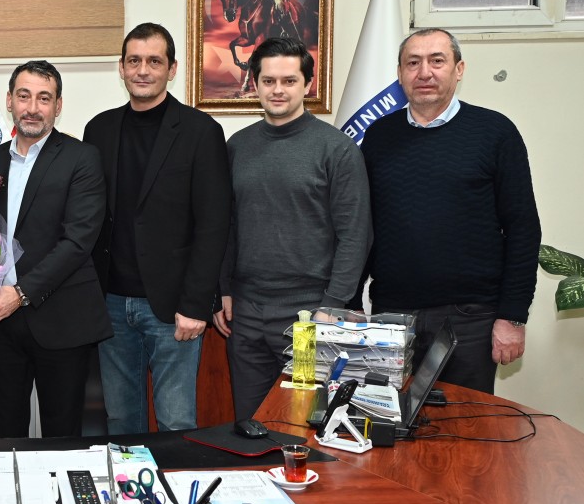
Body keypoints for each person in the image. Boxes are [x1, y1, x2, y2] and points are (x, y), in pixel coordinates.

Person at [360, 28, 540, 393]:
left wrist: (512, 316)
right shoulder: (378, 136)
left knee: (466, 421)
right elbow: (362, 227)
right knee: (388, 419)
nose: (424, 72)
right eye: (413, 63)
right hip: (392, 317)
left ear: (459, 69)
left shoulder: (495, 132)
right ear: (399, 74)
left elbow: (522, 228)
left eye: (437, 61)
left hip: (470, 319)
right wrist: (349, 305)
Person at [84, 23, 231, 433]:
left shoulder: (201, 132)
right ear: (121, 68)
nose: (143, 70)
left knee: (175, 420)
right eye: (134, 61)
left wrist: (197, 305)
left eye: (154, 61)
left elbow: (213, 225)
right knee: (120, 419)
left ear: (172, 69)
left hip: (173, 307)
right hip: (111, 303)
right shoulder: (98, 130)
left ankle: (177, 480)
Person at [214, 38, 371, 419]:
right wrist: (223, 289)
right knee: (250, 421)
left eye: (289, 81)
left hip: (309, 315)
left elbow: (355, 234)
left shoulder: (337, 149)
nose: (278, 90)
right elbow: (226, 225)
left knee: (301, 420)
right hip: (246, 313)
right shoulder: (238, 146)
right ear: (254, 83)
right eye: (268, 81)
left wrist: (332, 306)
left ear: (307, 85)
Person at [0, 60, 112, 438]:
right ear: (10, 100)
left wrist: (20, 293)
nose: (33, 107)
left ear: (58, 106)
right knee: (2, 435)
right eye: (24, 96)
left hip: (61, 320)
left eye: (44, 98)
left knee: (62, 437)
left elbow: (78, 242)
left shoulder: (82, 158)